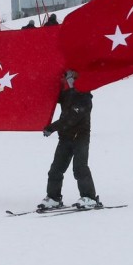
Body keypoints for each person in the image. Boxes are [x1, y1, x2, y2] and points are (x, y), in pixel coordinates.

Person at [37, 69, 100, 211]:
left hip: (80, 138)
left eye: (71, 77)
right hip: (65, 138)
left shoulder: (85, 98)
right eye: (67, 77)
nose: (68, 79)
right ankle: (53, 198)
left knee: (79, 168)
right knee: (55, 170)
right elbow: (50, 96)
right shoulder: (67, 95)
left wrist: (51, 128)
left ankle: (89, 197)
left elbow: (70, 119)